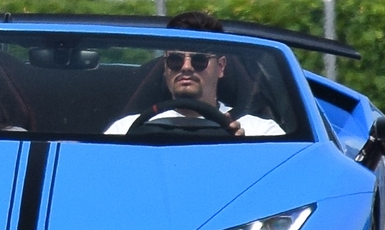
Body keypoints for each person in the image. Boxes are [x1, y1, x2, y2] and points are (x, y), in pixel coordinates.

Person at [105, 13, 284, 137]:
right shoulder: (125, 130)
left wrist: (243, 151)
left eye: (199, 60)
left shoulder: (260, 132)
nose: (186, 67)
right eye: (175, 60)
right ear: (165, 67)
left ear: (221, 67)